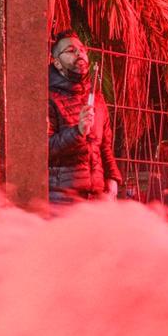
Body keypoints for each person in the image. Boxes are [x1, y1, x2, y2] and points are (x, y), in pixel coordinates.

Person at [47, 31, 120, 205]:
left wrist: (112, 177)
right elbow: (44, 149)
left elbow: (105, 146)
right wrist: (77, 131)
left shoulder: (98, 99)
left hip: (96, 195)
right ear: (57, 62)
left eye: (82, 50)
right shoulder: (49, 98)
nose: (79, 53)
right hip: (62, 197)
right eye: (71, 50)